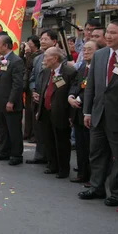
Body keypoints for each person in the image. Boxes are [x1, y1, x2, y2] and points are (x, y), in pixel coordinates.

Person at [79, 20, 118, 206]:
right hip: (99, 113)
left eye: (113, 33)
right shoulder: (99, 55)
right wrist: (87, 112)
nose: (108, 36)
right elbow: (91, 85)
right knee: (97, 153)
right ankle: (97, 187)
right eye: (107, 32)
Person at [36, 47, 76, 179]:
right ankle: (52, 165)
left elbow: (72, 92)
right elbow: (44, 90)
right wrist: (40, 109)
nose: (44, 59)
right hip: (47, 110)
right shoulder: (47, 71)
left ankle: (63, 169)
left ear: (55, 58)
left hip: (61, 111)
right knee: (49, 139)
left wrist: (71, 115)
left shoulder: (69, 72)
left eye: (46, 56)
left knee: (62, 141)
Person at [0, 33, 25, 166]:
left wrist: (11, 101)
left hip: (10, 103)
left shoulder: (17, 61)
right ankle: (3, 151)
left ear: (5, 45)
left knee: (13, 129)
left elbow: (17, 84)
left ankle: (16, 154)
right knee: (1, 128)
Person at [27, 30, 59, 164]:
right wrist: (33, 89)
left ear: (54, 41)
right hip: (38, 97)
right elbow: (32, 77)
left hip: (53, 98)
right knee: (39, 128)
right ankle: (40, 155)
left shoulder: (60, 56)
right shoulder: (37, 58)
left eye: (46, 39)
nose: (42, 41)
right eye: (41, 39)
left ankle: (54, 158)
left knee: (53, 131)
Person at [68, 40, 98, 183]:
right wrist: (71, 96)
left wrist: (79, 98)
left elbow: (92, 89)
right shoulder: (81, 68)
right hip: (77, 111)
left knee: (91, 147)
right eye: (84, 49)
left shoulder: (98, 68)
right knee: (80, 145)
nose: (85, 52)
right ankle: (82, 173)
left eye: (89, 50)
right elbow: (75, 84)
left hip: (90, 111)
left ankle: (93, 177)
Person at [23, 35, 41, 140]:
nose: (28, 44)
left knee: (33, 110)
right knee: (28, 110)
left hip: (35, 84)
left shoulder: (38, 54)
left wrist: (28, 53)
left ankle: (34, 134)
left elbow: (29, 65)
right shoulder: (29, 53)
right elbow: (23, 63)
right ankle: (27, 132)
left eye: (29, 42)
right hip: (27, 83)